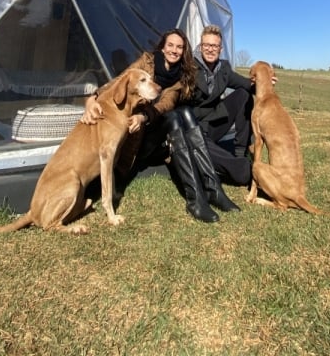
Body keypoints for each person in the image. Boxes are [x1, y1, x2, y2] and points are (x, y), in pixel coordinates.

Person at [82, 28, 239, 223]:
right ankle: (198, 198)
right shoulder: (146, 62)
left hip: (154, 130)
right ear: (163, 48)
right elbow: (120, 80)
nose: (174, 50)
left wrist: (144, 117)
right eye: (171, 45)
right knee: (175, 118)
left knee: (181, 114)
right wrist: (93, 97)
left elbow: (166, 104)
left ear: (184, 51)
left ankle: (211, 191)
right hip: (136, 139)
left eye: (180, 47)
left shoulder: (181, 77)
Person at [189, 25, 257, 187]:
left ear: (220, 48)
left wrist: (265, 81)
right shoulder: (188, 67)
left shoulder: (224, 68)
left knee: (243, 95)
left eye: (215, 46)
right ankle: (243, 169)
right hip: (193, 129)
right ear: (200, 46)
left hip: (213, 124)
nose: (210, 49)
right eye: (207, 45)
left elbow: (247, 85)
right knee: (242, 174)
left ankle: (241, 152)